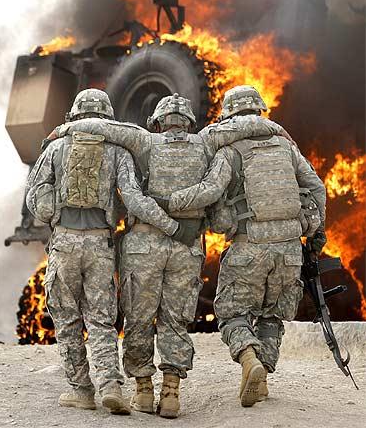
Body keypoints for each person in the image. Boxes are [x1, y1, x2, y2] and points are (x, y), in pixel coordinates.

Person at [47, 92, 293, 418]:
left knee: (138, 318)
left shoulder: (144, 141)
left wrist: (64, 131)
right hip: (187, 246)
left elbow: (105, 127)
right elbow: (243, 125)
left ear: (158, 122)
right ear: (189, 122)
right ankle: (172, 394)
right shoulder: (206, 141)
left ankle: (144, 392)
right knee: (175, 319)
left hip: (142, 245)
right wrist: (274, 128)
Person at [167, 85, 327, 407]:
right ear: (259, 110)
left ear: (228, 113)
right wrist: (314, 228)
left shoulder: (229, 150)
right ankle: (262, 378)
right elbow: (316, 187)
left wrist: (172, 201)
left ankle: (249, 358)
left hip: (248, 247)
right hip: (289, 249)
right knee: (272, 316)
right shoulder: (285, 145)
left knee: (231, 313)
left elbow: (210, 192)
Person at [26, 89, 179, 415]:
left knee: (67, 318)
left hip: (65, 242)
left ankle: (81, 390)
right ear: (106, 116)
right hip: (100, 244)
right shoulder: (117, 152)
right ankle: (111, 385)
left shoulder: (55, 148)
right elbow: (133, 198)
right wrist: (169, 224)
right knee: (101, 320)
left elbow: (36, 200)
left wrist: (56, 211)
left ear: (74, 114)